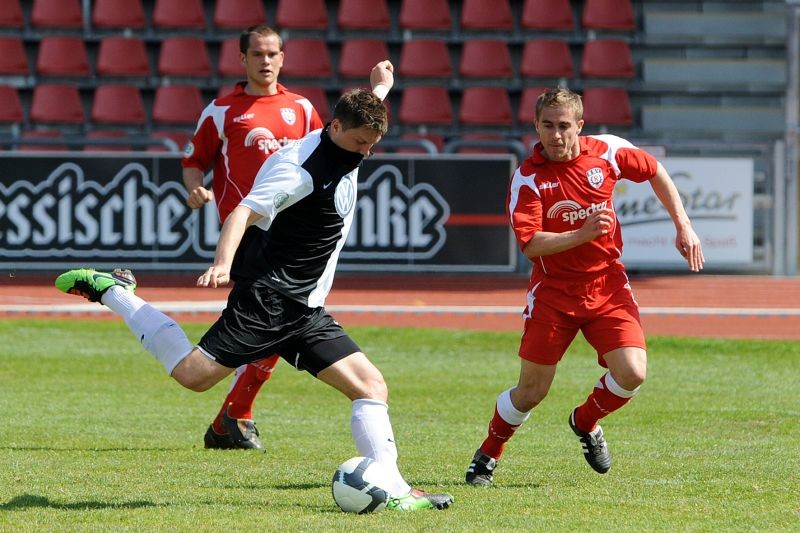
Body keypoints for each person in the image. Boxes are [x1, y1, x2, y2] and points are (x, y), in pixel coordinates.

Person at [56, 62, 454, 511]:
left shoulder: (349, 135)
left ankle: (397, 491)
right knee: (193, 376)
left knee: (370, 386)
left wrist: (382, 86)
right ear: (336, 127)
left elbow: (368, 111)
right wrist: (221, 264)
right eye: (361, 143)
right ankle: (115, 290)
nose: (365, 153)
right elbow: (242, 212)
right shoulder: (300, 170)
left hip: (304, 306)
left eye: (372, 146)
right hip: (269, 298)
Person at [465, 87, 705, 486]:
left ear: (580, 125)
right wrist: (582, 232)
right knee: (530, 392)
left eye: (564, 126)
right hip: (554, 292)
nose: (556, 136)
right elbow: (531, 244)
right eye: (547, 126)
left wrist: (684, 224)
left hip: (607, 283)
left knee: (632, 372)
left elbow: (655, 171)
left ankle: (585, 420)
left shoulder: (607, 153)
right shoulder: (528, 178)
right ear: (536, 126)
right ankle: (488, 454)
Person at [182, 24, 326, 451]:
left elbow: (325, 158)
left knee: (278, 323)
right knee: (275, 323)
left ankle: (234, 415)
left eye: (273, 54)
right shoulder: (222, 110)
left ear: (283, 57)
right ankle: (234, 413)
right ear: (242, 59)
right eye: (258, 54)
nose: (266, 61)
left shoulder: (301, 109)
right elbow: (194, 160)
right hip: (246, 233)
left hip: (293, 235)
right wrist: (195, 188)